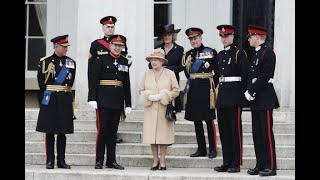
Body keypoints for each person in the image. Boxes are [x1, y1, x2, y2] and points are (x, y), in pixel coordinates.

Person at [88, 34, 132, 170]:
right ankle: (99, 160)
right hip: (102, 100)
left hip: (117, 101)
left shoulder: (124, 62)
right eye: (115, 45)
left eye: (120, 46)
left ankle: (111, 161)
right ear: (110, 46)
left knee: (113, 132)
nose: (117, 48)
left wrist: (128, 103)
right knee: (103, 131)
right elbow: (93, 79)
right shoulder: (100, 59)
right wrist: (92, 98)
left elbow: (126, 84)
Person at [36, 35, 76, 169]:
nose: (66, 49)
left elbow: (70, 82)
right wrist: (44, 100)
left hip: (64, 99)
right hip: (51, 99)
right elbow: (41, 84)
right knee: (50, 131)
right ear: (56, 46)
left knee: (62, 132)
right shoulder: (45, 62)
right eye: (64, 47)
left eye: (66, 47)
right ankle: (50, 161)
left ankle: (61, 160)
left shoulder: (71, 62)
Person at [213, 25, 249, 173]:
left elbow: (245, 75)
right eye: (222, 36)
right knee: (224, 131)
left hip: (234, 96)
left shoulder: (239, 53)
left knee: (235, 131)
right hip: (222, 96)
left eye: (227, 36)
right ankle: (226, 162)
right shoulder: (220, 54)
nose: (224, 39)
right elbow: (216, 76)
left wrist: (244, 97)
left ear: (233, 36)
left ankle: (236, 162)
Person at [245, 25, 279, 176]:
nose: (249, 39)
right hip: (256, 98)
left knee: (265, 133)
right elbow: (252, 76)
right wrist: (250, 91)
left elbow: (265, 76)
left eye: (250, 37)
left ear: (257, 37)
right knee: (256, 133)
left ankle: (271, 166)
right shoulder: (256, 54)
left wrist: (252, 90)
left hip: (265, 97)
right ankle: (260, 163)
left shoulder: (268, 53)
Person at [140, 48, 180, 170]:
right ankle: (155, 161)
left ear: (162, 61)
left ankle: (162, 161)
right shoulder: (147, 74)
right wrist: (148, 96)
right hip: (150, 109)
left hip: (164, 109)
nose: (154, 62)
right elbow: (141, 90)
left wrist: (165, 96)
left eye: (156, 60)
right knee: (152, 136)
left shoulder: (170, 73)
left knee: (163, 137)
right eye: (152, 60)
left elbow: (176, 90)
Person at [181, 27, 218, 159]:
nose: (193, 41)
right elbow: (187, 73)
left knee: (209, 120)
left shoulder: (211, 52)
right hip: (194, 90)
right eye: (191, 39)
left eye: (195, 38)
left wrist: (213, 87)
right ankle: (201, 148)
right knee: (196, 121)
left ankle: (213, 149)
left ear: (201, 38)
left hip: (207, 90)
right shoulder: (187, 55)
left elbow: (217, 73)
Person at [87, 15, 125, 143]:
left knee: (114, 116)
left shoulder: (120, 43)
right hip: (101, 87)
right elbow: (91, 69)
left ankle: (113, 135)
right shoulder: (96, 44)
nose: (110, 29)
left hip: (115, 87)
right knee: (102, 119)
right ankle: (101, 133)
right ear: (103, 27)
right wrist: (92, 90)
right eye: (107, 27)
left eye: (112, 27)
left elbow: (123, 62)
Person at [149, 24, 184, 112]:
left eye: (169, 35)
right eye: (165, 35)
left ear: (173, 36)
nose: (167, 37)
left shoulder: (179, 49)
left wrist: (169, 69)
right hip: (159, 82)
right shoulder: (157, 48)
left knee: (172, 111)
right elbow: (150, 65)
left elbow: (181, 66)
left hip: (173, 82)